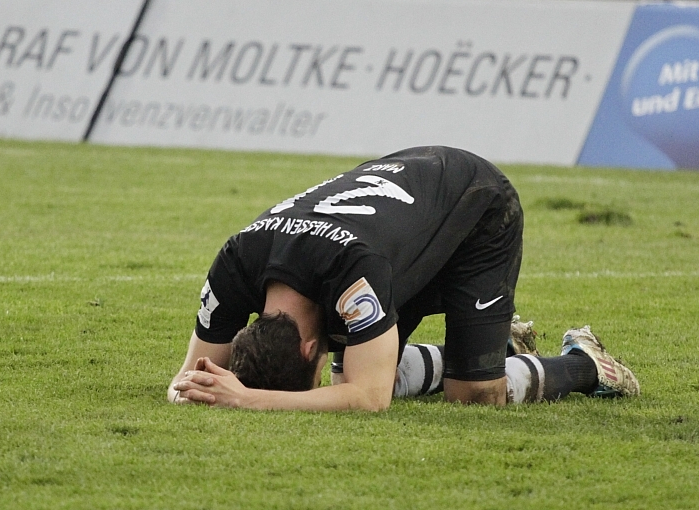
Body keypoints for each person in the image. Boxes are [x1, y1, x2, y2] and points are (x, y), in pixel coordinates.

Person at [168, 146, 638, 411]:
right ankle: (494, 345)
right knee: (357, 375)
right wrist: (200, 390)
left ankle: (587, 364)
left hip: (473, 208)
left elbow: (369, 399)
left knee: (475, 395)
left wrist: (249, 400)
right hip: (396, 228)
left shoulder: (350, 273)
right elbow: (185, 380)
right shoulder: (235, 261)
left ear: (309, 350)